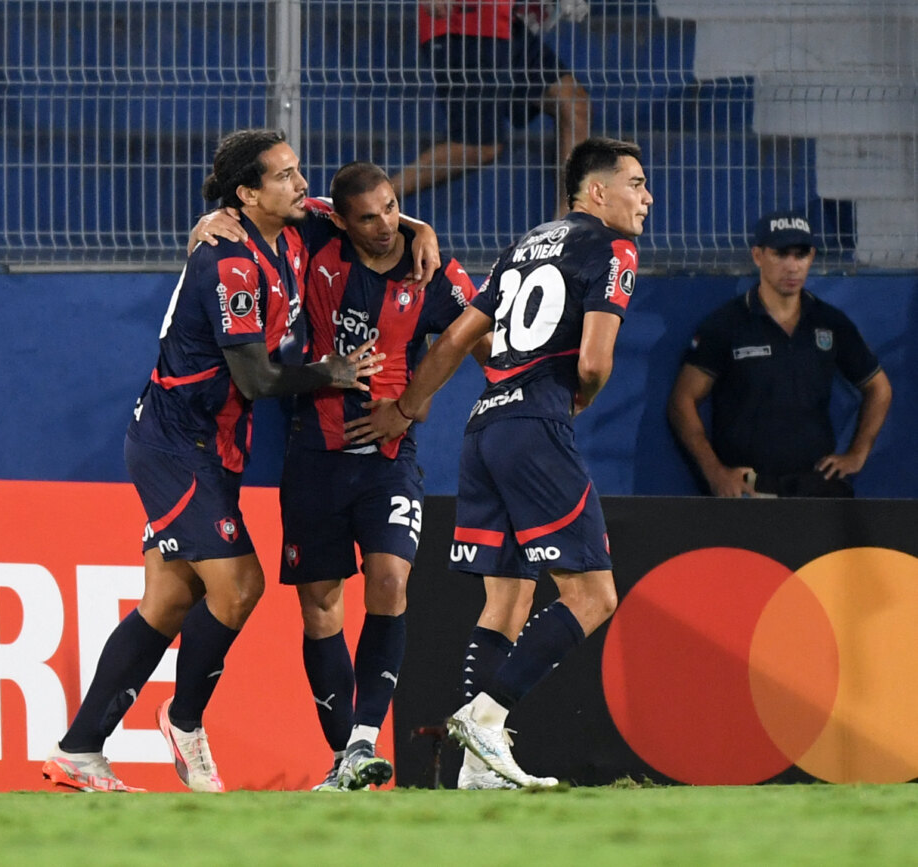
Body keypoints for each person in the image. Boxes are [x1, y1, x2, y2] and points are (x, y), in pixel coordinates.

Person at [42, 128, 382, 794]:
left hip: (214, 446)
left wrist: (420, 232)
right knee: (241, 585)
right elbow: (256, 380)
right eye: (283, 176)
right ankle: (185, 718)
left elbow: (366, 212)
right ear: (246, 193)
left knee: (167, 602)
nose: (300, 183)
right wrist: (331, 371)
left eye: (297, 170)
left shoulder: (292, 230)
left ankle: (79, 747)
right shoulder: (227, 260)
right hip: (174, 443)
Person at [347, 136, 651, 789]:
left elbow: (458, 336)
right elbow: (595, 361)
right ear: (596, 192)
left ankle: (476, 771)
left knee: (507, 599)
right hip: (537, 424)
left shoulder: (523, 246)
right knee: (594, 595)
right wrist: (575, 400)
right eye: (636, 183)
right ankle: (486, 717)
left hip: (483, 426)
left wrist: (406, 405)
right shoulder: (615, 248)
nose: (647, 197)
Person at [275, 163, 484, 792]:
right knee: (320, 608)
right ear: (340, 219)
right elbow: (269, 206)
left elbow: (477, 338)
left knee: (390, 580)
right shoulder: (316, 237)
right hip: (312, 453)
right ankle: (348, 758)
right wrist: (212, 221)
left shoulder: (432, 273)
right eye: (368, 216)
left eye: (395, 208)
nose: (386, 224)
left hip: (390, 459)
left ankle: (364, 733)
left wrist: (409, 407)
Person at [668, 211, 892, 498]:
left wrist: (857, 454)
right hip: (748, 489)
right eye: (781, 254)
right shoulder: (726, 324)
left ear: (812, 256)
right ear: (758, 255)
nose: (792, 266)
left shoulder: (830, 323)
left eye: (801, 255)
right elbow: (682, 401)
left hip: (816, 488)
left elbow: (879, 388)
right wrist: (715, 473)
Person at [390, 0, 591, 219]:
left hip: (504, 22)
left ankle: (566, 227)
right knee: (478, 146)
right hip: (464, 21)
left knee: (574, 104)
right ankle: (374, 201)